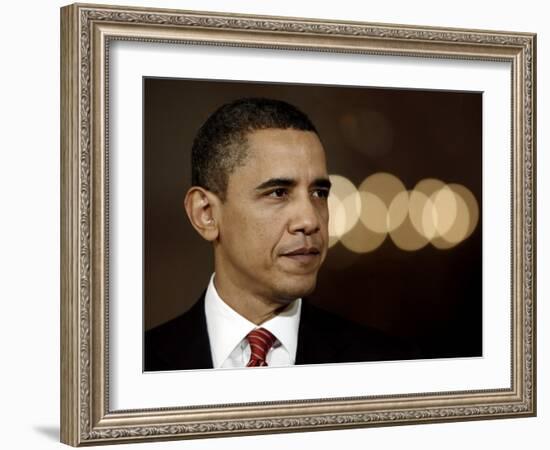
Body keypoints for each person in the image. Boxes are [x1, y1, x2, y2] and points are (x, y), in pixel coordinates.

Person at [144, 97, 417, 371]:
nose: (310, 220)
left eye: (319, 193)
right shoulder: (130, 367)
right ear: (205, 214)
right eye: (278, 193)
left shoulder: (388, 365)